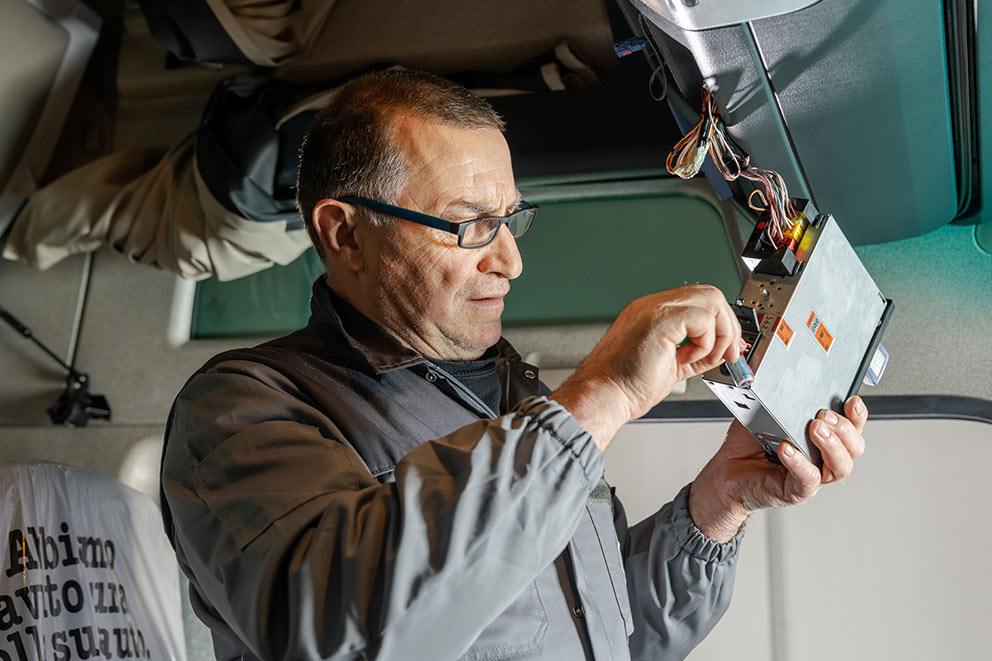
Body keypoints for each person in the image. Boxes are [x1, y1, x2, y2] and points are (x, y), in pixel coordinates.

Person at [160, 69, 867, 661]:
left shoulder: (511, 393)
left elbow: (617, 635)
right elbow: (347, 629)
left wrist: (720, 501)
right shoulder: (239, 410)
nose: (510, 260)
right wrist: (600, 396)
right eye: (470, 226)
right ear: (346, 234)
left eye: (510, 220)